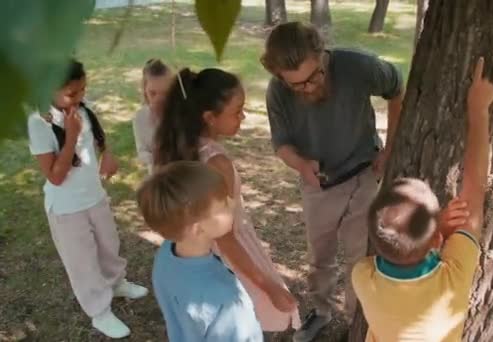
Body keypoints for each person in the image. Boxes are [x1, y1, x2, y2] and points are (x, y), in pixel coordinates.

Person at [260, 21, 405, 341]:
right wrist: (300, 164)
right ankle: (322, 311)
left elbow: (397, 89)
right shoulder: (278, 91)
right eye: (297, 84)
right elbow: (281, 143)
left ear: (321, 54)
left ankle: (357, 319)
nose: (308, 87)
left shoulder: (358, 66)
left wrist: (390, 148)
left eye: (314, 76)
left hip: (365, 173)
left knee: (360, 255)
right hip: (319, 184)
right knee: (319, 256)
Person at [351, 58, 493, 342]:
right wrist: (478, 110)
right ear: (435, 242)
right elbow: (474, 193)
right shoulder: (452, 279)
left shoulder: (363, 277)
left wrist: (436, 228)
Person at [154, 67, 300, 332]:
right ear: (209, 117)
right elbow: (226, 236)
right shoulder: (215, 162)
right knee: (247, 314)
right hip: (228, 251)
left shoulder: (179, 147)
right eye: (237, 111)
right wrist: (267, 284)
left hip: (200, 247)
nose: (243, 116)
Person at [27, 59, 148, 339]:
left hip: (95, 196)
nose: (80, 97)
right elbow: (55, 177)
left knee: (109, 244)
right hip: (67, 209)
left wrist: (107, 153)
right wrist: (70, 137)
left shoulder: (81, 107)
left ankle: (117, 283)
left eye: (83, 89)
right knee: (82, 261)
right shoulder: (38, 123)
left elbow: (95, 134)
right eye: (72, 93)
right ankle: (99, 312)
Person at [137, 161, 264, 341]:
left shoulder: (166, 254)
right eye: (223, 204)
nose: (233, 202)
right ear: (197, 228)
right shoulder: (228, 301)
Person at [132, 58, 173, 174]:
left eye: (165, 93)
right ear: (145, 90)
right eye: (153, 93)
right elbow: (141, 152)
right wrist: (155, 157)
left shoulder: (181, 114)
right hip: (158, 175)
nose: (159, 99)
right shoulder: (140, 117)